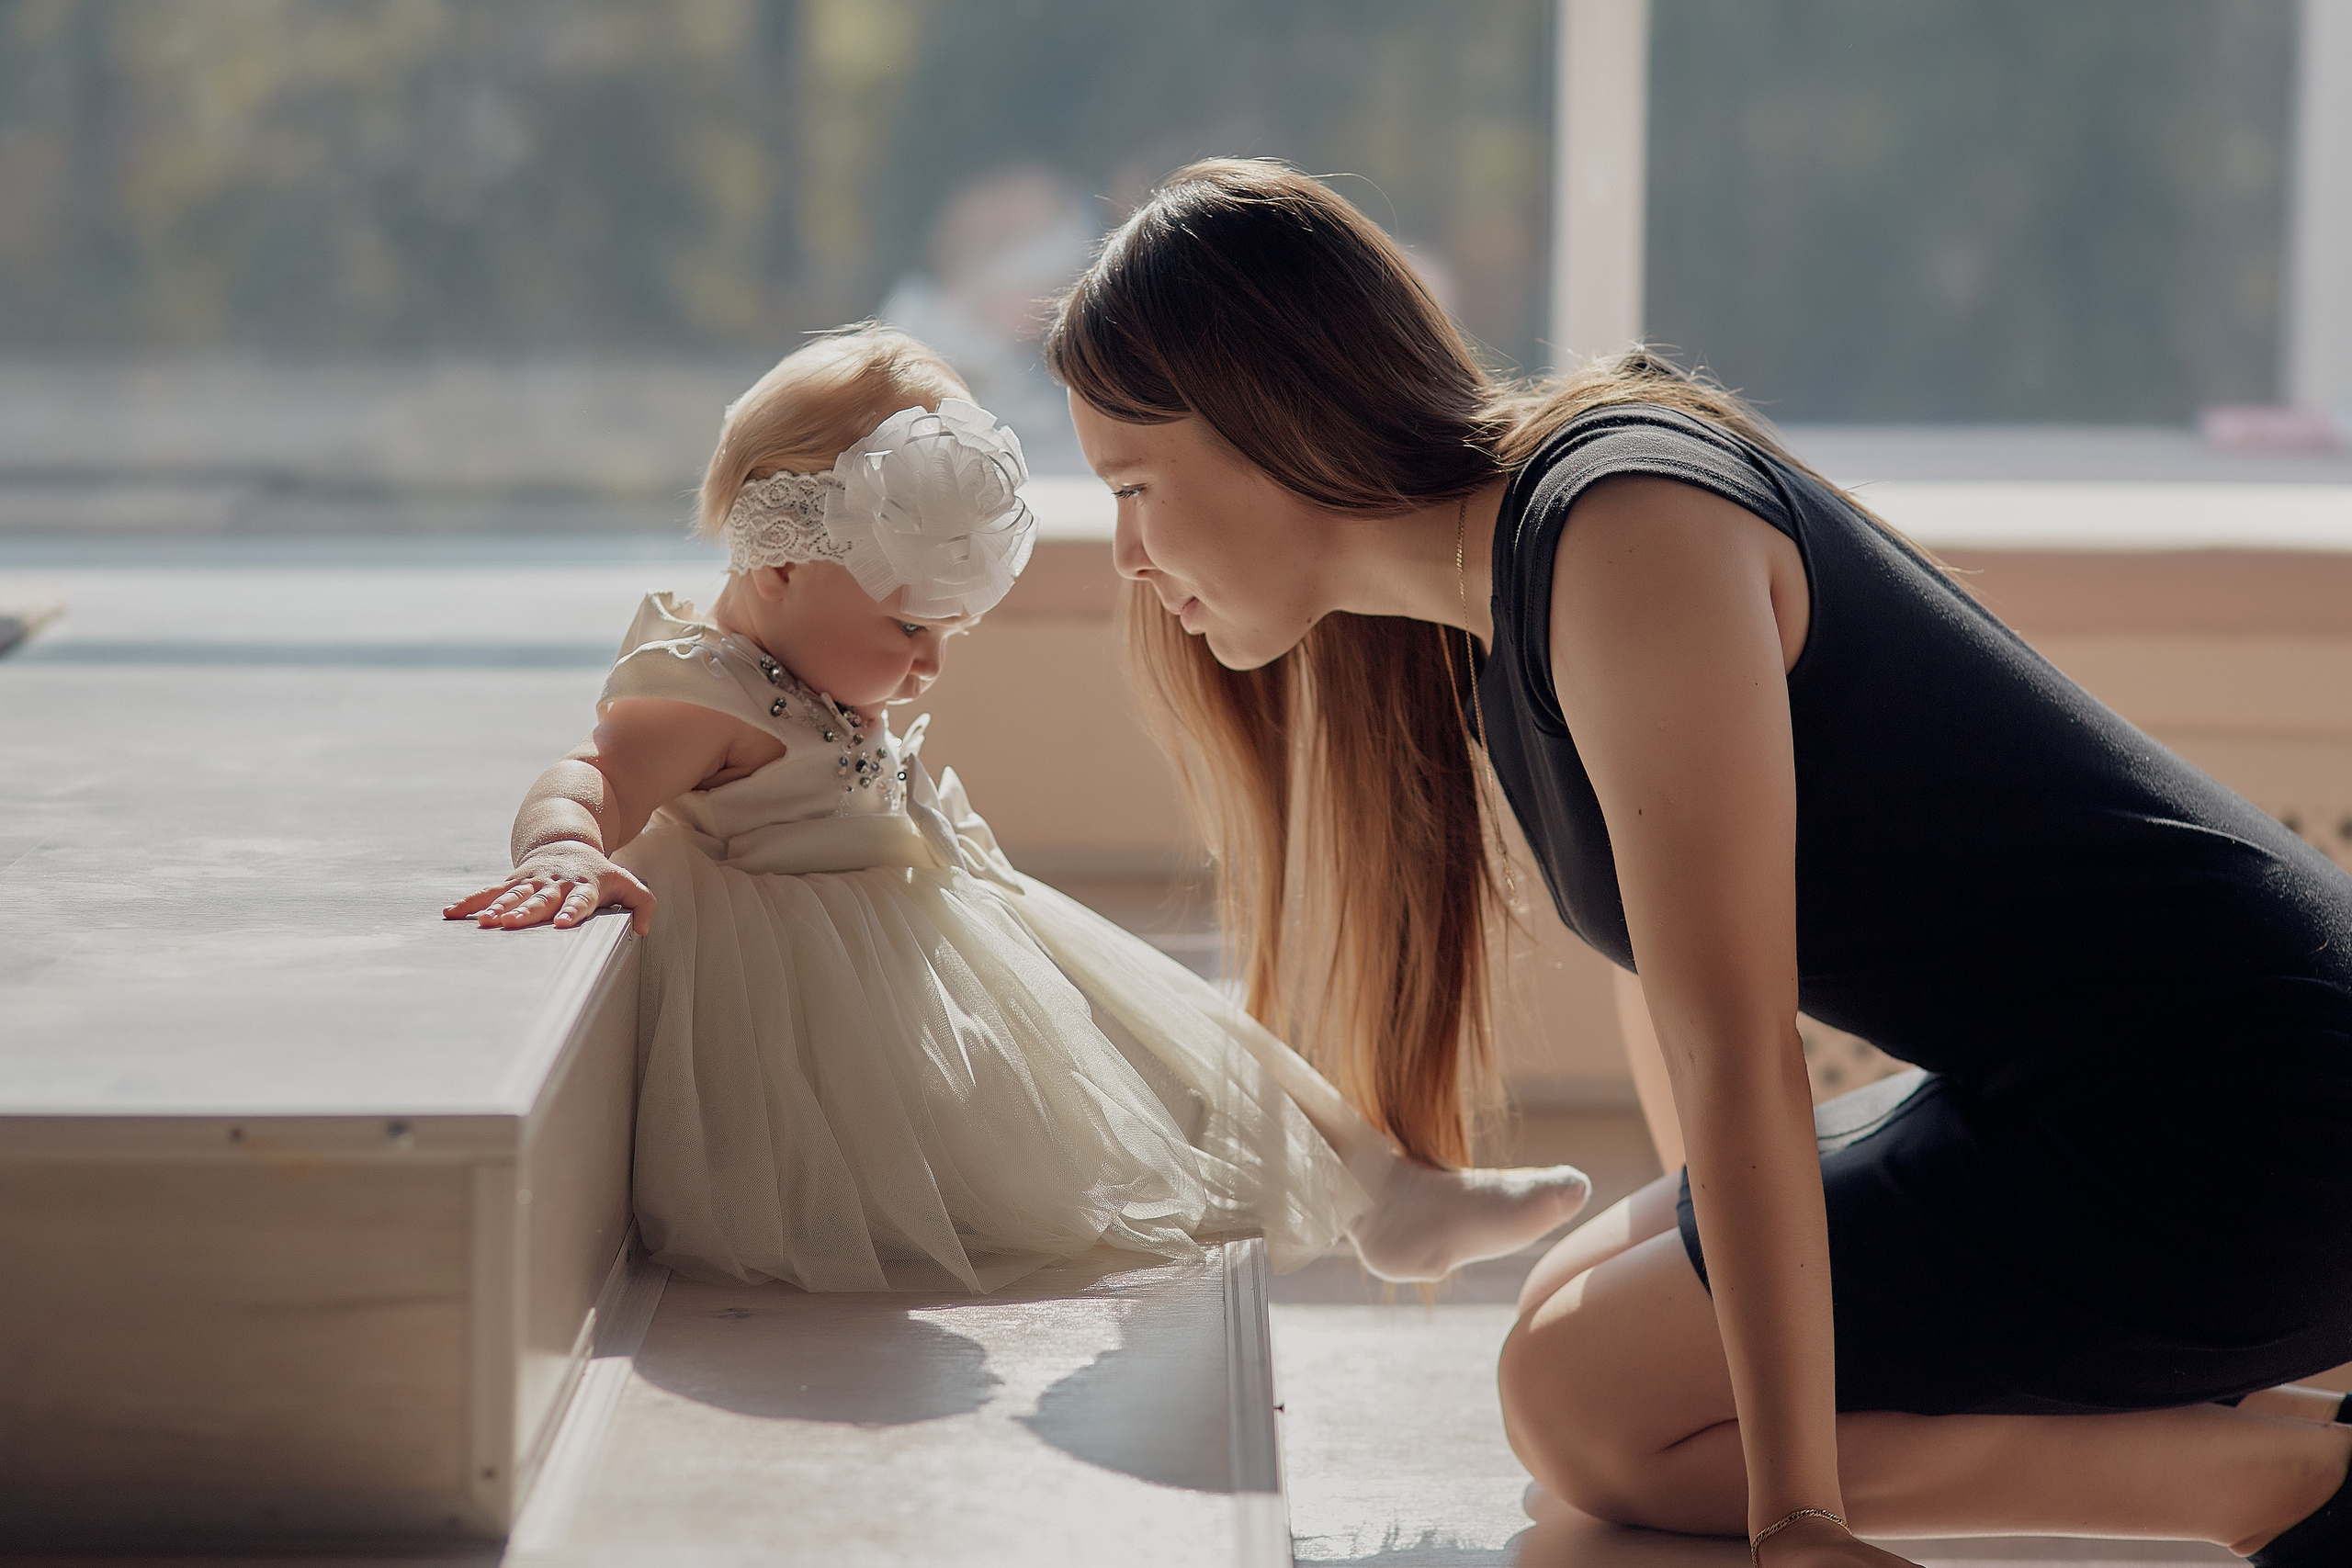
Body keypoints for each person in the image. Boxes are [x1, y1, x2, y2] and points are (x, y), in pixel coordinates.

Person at [1042, 160, 2352, 1565]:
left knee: (1584, 1401)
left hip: (2251, 1119)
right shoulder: (1501, 598)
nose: (1124, 553)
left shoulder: (1620, 527)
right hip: (2096, 1088)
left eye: (1132, 483)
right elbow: (1671, 986)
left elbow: (1737, 1045)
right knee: (1568, 1320)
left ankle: (2277, 1483)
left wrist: (1795, 1510)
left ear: (1265, 416)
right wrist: (1719, 1311)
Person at [443, 325, 1592, 1294]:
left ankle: (1387, 1192)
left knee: (1186, 1027)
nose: (930, 667)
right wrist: (563, 847)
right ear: (783, 564)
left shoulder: (810, 664)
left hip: (922, 931)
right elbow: (590, 771)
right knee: (994, 1138)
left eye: (947, 633)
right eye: (910, 628)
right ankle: (1377, 1195)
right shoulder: (709, 690)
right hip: (809, 994)